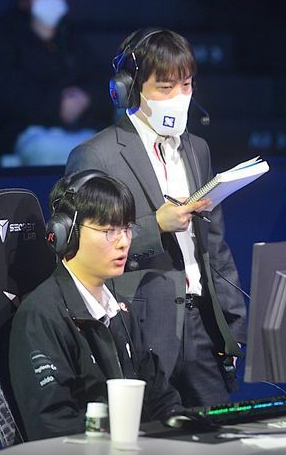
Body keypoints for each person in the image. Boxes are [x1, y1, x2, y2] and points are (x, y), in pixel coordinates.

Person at [66, 29, 246, 407]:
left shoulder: (197, 149)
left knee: (221, 431)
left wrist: (233, 324)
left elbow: (214, 245)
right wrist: (156, 226)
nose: (179, 97)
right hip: (140, 329)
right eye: (165, 87)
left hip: (203, 328)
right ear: (130, 89)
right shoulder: (97, 155)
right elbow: (80, 249)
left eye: (186, 85)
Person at [9, 170, 182, 440]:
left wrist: (181, 423)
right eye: (109, 231)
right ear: (66, 233)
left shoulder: (120, 310)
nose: (124, 242)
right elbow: (52, 425)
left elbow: (158, 395)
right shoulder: (41, 315)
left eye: (127, 228)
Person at [0, 0, 109, 166]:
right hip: (28, 131)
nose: (51, 0)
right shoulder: (5, 37)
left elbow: (99, 79)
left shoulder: (71, 38)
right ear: (25, 1)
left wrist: (85, 98)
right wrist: (56, 104)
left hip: (80, 129)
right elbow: (5, 89)